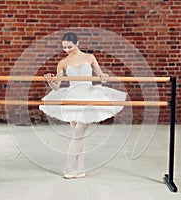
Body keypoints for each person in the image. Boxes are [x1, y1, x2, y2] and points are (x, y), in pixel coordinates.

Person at [39, 32, 127, 179]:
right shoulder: (63, 62)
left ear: (77, 43)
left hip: (89, 96)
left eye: (69, 46)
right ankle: (81, 169)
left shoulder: (89, 57)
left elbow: (101, 76)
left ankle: (68, 168)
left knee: (77, 134)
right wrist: (49, 80)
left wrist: (104, 77)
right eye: (64, 47)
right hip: (72, 98)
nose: (67, 50)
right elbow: (56, 86)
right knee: (79, 136)